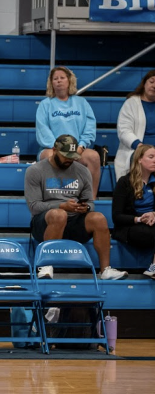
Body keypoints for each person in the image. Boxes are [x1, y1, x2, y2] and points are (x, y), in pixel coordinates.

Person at [25, 134, 127, 281]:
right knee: (59, 214)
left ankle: (105, 270)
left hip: (74, 222)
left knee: (98, 218)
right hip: (45, 223)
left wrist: (85, 208)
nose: (69, 160)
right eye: (65, 156)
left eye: (72, 156)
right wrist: (62, 206)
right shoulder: (35, 170)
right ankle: (45, 265)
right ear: (54, 150)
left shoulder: (82, 171)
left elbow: (90, 203)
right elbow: (34, 207)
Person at [35, 67, 101, 198]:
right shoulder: (45, 104)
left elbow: (89, 128)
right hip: (53, 149)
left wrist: (81, 147)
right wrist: (61, 150)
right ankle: (55, 198)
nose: (59, 81)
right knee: (49, 155)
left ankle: (90, 199)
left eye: (62, 78)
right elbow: (43, 130)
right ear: (51, 83)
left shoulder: (82, 102)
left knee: (93, 156)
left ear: (69, 81)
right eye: (55, 79)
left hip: (77, 149)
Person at [111, 144, 155, 278]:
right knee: (146, 232)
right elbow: (117, 216)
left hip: (153, 224)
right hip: (131, 227)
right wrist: (139, 219)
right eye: (151, 157)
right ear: (139, 160)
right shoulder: (124, 182)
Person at [114, 69, 155, 180]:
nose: (154, 86)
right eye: (152, 82)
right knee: (147, 159)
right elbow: (124, 130)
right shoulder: (131, 103)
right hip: (137, 150)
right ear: (144, 83)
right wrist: (140, 147)